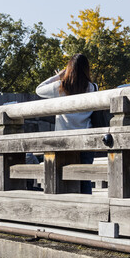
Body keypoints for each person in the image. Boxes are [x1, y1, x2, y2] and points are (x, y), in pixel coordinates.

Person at [35, 54, 98, 193]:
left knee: (62, 176)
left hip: (63, 138)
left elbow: (39, 89)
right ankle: (86, 206)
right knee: (85, 176)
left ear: (69, 68)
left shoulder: (60, 86)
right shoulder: (93, 87)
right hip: (85, 137)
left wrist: (59, 76)